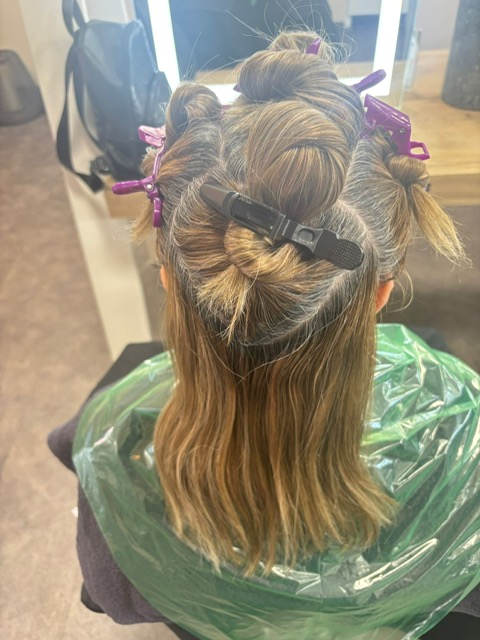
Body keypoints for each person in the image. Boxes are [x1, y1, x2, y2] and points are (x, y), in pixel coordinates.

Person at [49, 31, 480, 640]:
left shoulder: (108, 446)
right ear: (380, 294)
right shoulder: (464, 438)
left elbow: (108, 598)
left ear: (169, 281)